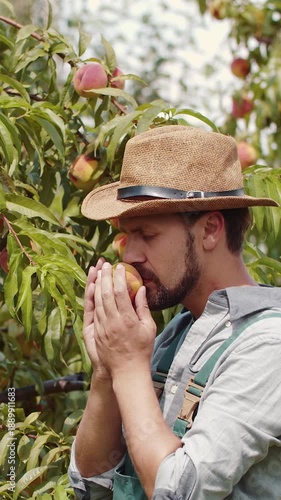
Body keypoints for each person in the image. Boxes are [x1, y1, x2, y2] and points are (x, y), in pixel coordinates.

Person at [68, 125, 281, 499]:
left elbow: (180, 492)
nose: (129, 255)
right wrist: (106, 371)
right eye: (126, 236)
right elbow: (90, 486)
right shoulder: (178, 333)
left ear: (211, 229)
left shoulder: (267, 344)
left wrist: (130, 364)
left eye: (147, 235)